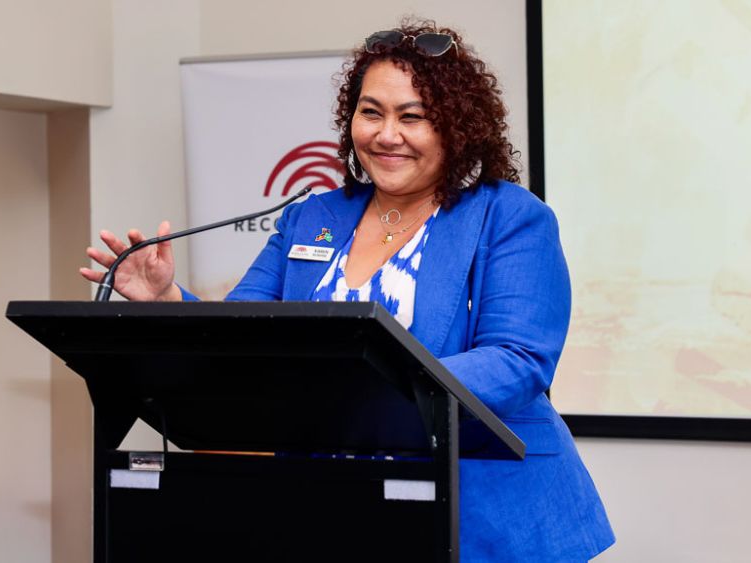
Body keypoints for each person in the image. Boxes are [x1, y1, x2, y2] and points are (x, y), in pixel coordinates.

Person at [82, 20, 614, 562]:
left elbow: (518, 359)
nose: (386, 135)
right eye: (371, 112)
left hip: (485, 516)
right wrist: (168, 301)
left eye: (412, 117)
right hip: (334, 507)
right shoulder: (313, 216)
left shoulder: (508, 217)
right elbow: (244, 333)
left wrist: (373, 389)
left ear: (457, 126)